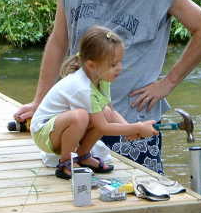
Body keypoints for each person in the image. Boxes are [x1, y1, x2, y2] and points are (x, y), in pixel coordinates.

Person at [14, 0, 201, 174]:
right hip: (79, 121)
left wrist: (167, 83)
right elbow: (59, 40)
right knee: (77, 198)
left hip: (134, 120)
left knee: (142, 198)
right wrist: (40, 100)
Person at [30, 25, 158, 180]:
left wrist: (130, 130)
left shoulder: (101, 79)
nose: (120, 68)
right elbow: (103, 127)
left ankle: (83, 155)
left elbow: (110, 113)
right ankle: (66, 163)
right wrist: (136, 127)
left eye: (120, 62)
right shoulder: (82, 88)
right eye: (113, 64)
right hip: (43, 132)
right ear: (91, 65)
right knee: (80, 116)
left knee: (104, 113)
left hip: (59, 128)